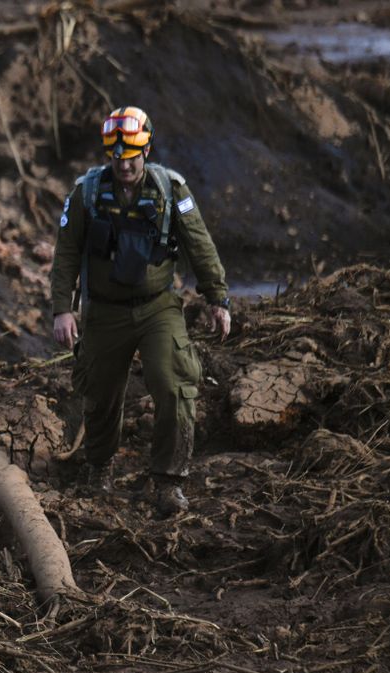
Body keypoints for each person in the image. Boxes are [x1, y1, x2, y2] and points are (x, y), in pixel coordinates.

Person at [49, 106, 230, 514]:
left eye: (131, 155)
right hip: (104, 311)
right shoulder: (87, 193)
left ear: (145, 150)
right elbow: (66, 254)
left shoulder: (171, 189)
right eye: (117, 156)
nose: (124, 164)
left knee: (173, 383)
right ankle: (99, 467)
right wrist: (63, 309)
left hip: (157, 307)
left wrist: (218, 299)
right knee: (99, 391)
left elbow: (199, 244)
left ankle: (169, 480)